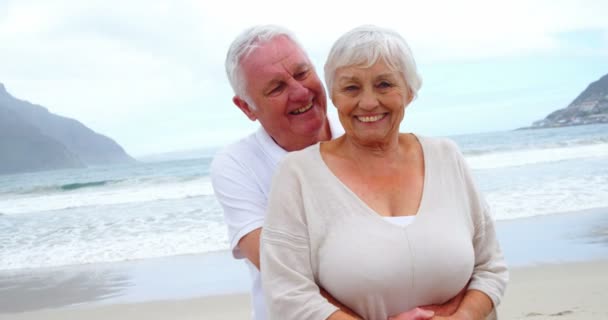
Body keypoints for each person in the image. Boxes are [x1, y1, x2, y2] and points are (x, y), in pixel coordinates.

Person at [260, 25, 508, 320]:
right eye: (351, 87)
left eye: (384, 85)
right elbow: (287, 292)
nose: (368, 102)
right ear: (334, 97)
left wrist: (463, 317)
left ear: (409, 92)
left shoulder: (446, 156)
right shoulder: (298, 174)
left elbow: (490, 267)